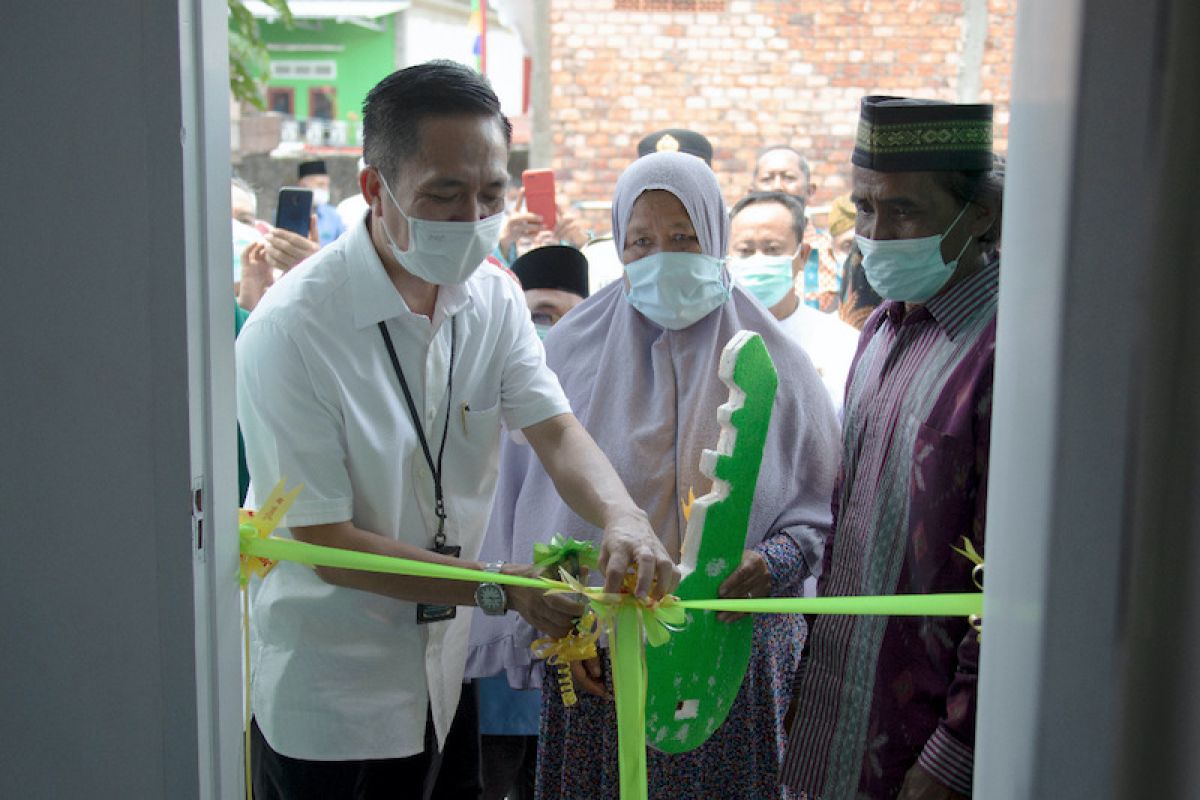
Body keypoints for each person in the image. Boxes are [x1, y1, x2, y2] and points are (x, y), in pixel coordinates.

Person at [237, 60, 677, 800]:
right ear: (375, 189)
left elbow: (555, 428)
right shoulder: (291, 331)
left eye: (491, 193)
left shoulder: (492, 301)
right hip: (335, 697)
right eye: (444, 195)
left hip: (445, 670)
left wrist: (623, 515)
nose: (473, 218)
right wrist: (501, 590)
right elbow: (325, 542)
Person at [468, 151, 840, 800]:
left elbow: (820, 516)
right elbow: (528, 505)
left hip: (732, 658)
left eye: (683, 237)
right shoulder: (569, 352)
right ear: (618, 244)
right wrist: (570, 623)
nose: (662, 255)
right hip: (599, 658)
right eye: (641, 240)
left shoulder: (777, 362)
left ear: (715, 239)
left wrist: (770, 560)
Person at [782, 96, 1002, 800]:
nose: (877, 234)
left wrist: (953, 753)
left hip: (924, 743)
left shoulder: (1008, 350)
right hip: (833, 713)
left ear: (982, 214)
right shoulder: (879, 332)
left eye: (904, 210)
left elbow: (1007, 576)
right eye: (865, 210)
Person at [471, 242, 590, 800]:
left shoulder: (591, 399)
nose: (554, 332)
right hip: (485, 636)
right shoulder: (476, 388)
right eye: (539, 316)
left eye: (571, 317)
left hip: (565, 641)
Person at [727, 191, 861, 416]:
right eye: (745, 251)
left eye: (772, 249)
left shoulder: (841, 344)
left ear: (803, 256)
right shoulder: (709, 338)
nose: (758, 260)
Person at [752, 145, 842, 312]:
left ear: (810, 191)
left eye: (789, 178)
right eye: (767, 179)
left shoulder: (837, 256)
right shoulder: (734, 259)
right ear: (751, 192)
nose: (778, 187)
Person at [296, 158, 347, 246]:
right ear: (302, 185)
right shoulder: (287, 214)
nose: (325, 189)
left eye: (327, 185)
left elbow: (343, 248)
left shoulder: (333, 216)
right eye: (320, 184)